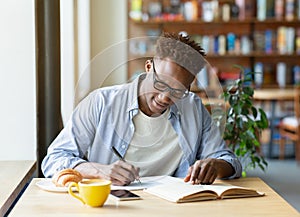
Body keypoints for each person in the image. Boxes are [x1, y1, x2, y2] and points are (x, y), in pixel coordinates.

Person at [42, 32, 242, 186]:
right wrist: (98, 171)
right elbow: (53, 160)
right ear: (148, 68)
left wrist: (216, 166)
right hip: (113, 206)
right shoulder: (101, 102)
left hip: (173, 207)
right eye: (160, 83)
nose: (165, 97)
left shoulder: (193, 107)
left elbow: (228, 160)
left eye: (178, 90)